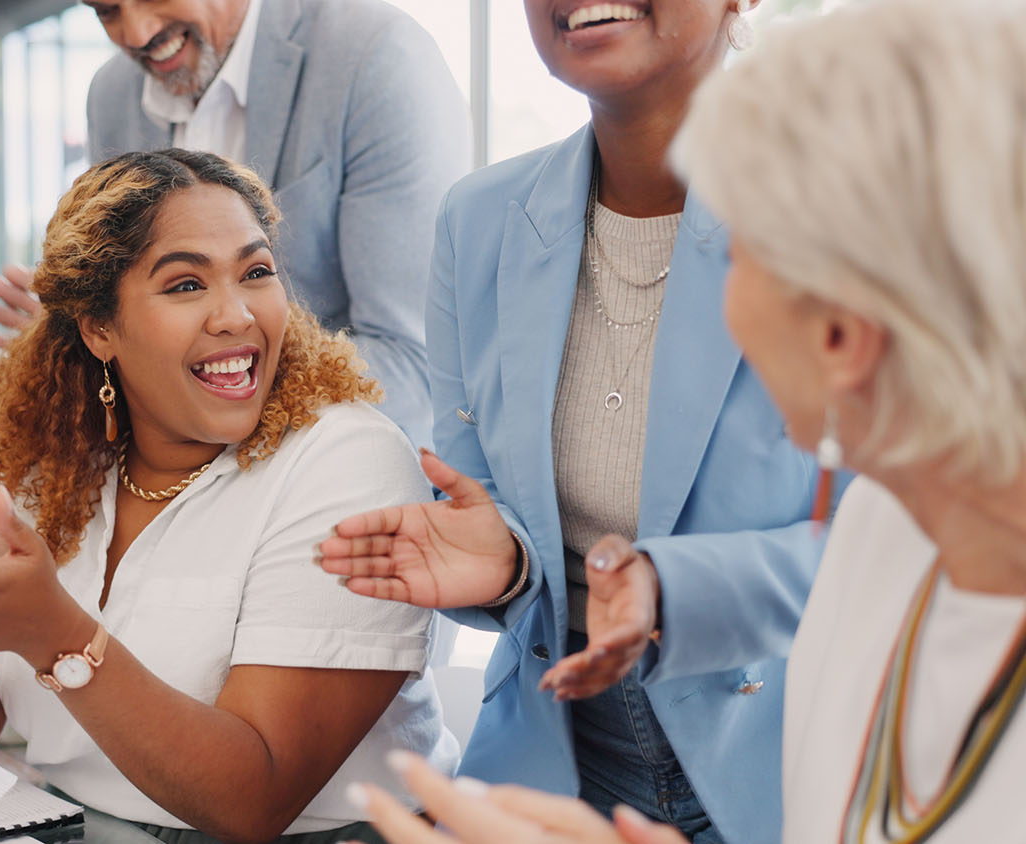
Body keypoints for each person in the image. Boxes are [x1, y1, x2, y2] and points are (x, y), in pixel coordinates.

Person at [346, 1, 1026, 841]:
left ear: (844, 333)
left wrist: (668, 587)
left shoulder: (894, 569)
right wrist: (512, 565)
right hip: (566, 753)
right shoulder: (904, 548)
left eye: (747, 261)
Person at [317, 2, 829, 842]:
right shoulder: (477, 220)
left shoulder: (856, 206)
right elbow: (482, 486)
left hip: (793, 767)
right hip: (555, 766)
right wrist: (510, 566)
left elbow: (915, 545)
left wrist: (676, 591)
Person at [0, 149, 457, 843]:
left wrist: (54, 633)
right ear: (100, 327)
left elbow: (251, 801)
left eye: (256, 273)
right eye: (186, 284)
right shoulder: (55, 471)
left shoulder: (346, 459)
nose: (236, 315)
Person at [0, 0, 471, 446]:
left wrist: (174, 379)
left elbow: (414, 364)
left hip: (342, 480)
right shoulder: (112, 93)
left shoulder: (376, 55)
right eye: (106, 11)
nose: (137, 31)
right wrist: (88, 341)